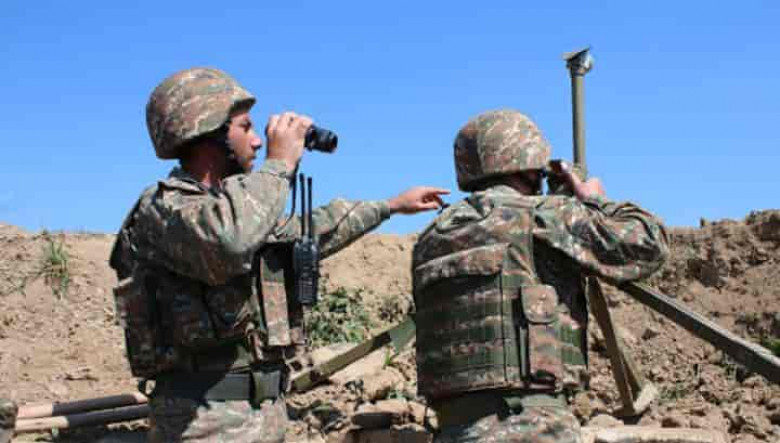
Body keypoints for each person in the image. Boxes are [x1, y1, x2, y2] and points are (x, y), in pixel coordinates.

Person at [110, 67, 448, 443]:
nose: (257, 141)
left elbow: (313, 230)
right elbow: (229, 241)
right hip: (203, 424)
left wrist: (392, 205)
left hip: (265, 416)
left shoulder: (237, 213)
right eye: (245, 127)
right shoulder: (163, 209)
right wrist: (279, 164)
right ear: (207, 133)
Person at [412, 109, 669, 443]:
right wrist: (594, 200)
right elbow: (649, 243)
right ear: (529, 164)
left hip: (454, 432)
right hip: (532, 428)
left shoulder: (431, 238)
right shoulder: (541, 215)